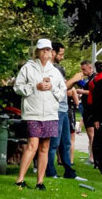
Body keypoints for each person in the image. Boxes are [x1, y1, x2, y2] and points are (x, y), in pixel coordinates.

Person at [13, 39, 67, 190]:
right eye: (42, 50)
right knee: (33, 144)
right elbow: (18, 87)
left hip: (50, 113)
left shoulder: (55, 72)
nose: (45, 52)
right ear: (37, 52)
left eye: (48, 50)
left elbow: (62, 93)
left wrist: (51, 88)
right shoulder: (27, 68)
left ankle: (40, 182)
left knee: (45, 147)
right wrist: (34, 86)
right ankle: (20, 179)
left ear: (51, 53)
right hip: (32, 112)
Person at [45, 42, 77, 180]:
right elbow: (60, 88)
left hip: (64, 109)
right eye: (61, 54)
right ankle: (50, 171)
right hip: (55, 109)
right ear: (53, 53)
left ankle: (68, 171)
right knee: (54, 143)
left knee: (66, 142)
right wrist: (74, 80)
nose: (62, 57)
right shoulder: (49, 70)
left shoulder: (59, 68)